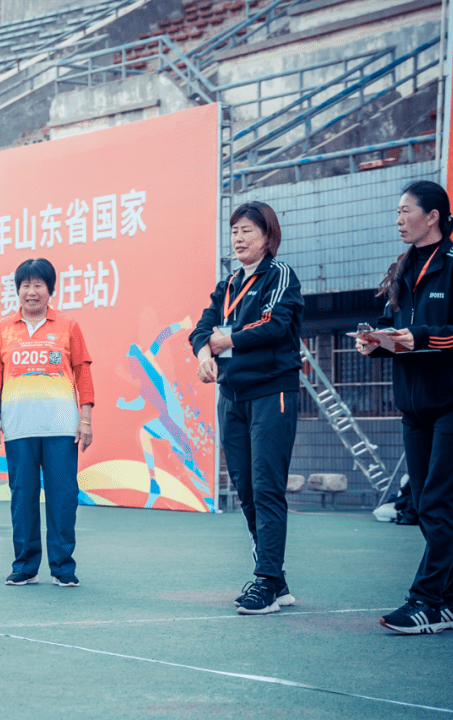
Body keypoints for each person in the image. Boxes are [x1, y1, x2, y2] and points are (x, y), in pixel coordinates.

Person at [356, 180, 453, 635]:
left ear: (433, 216)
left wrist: (422, 338)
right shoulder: (404, 268)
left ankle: (425, 601)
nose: (398, 218)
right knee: (428, 505)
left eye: (405, 210)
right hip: (415, 407)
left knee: (435, 503)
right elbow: (398, 328)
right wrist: (377, 341)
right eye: (397, 211)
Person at [189, 200, 303, 616]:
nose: (238, 238)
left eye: (247, 231)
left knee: (267, 486)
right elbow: (202, 328)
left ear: (268, 236)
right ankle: (275, 577)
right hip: (232, 396)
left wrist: (225, 340)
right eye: (234, 230)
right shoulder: (230, 283)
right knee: (246, 489)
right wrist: (204, 353)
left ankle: (266, 582)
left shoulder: (281, 275)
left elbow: (273, 325)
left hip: (272, 392)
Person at [0, 258, 94, 588]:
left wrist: (85, 419)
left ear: (50, 290)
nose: (31, 292)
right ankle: (25, 565)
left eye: (39, 285)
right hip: (18, 429)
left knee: (63, 497)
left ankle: (63, 566)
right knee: (23, 498)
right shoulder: (3, 329)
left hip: (62, 428)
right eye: (25, 285)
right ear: (17, 290)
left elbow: (83, 372)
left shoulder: (68, 325)